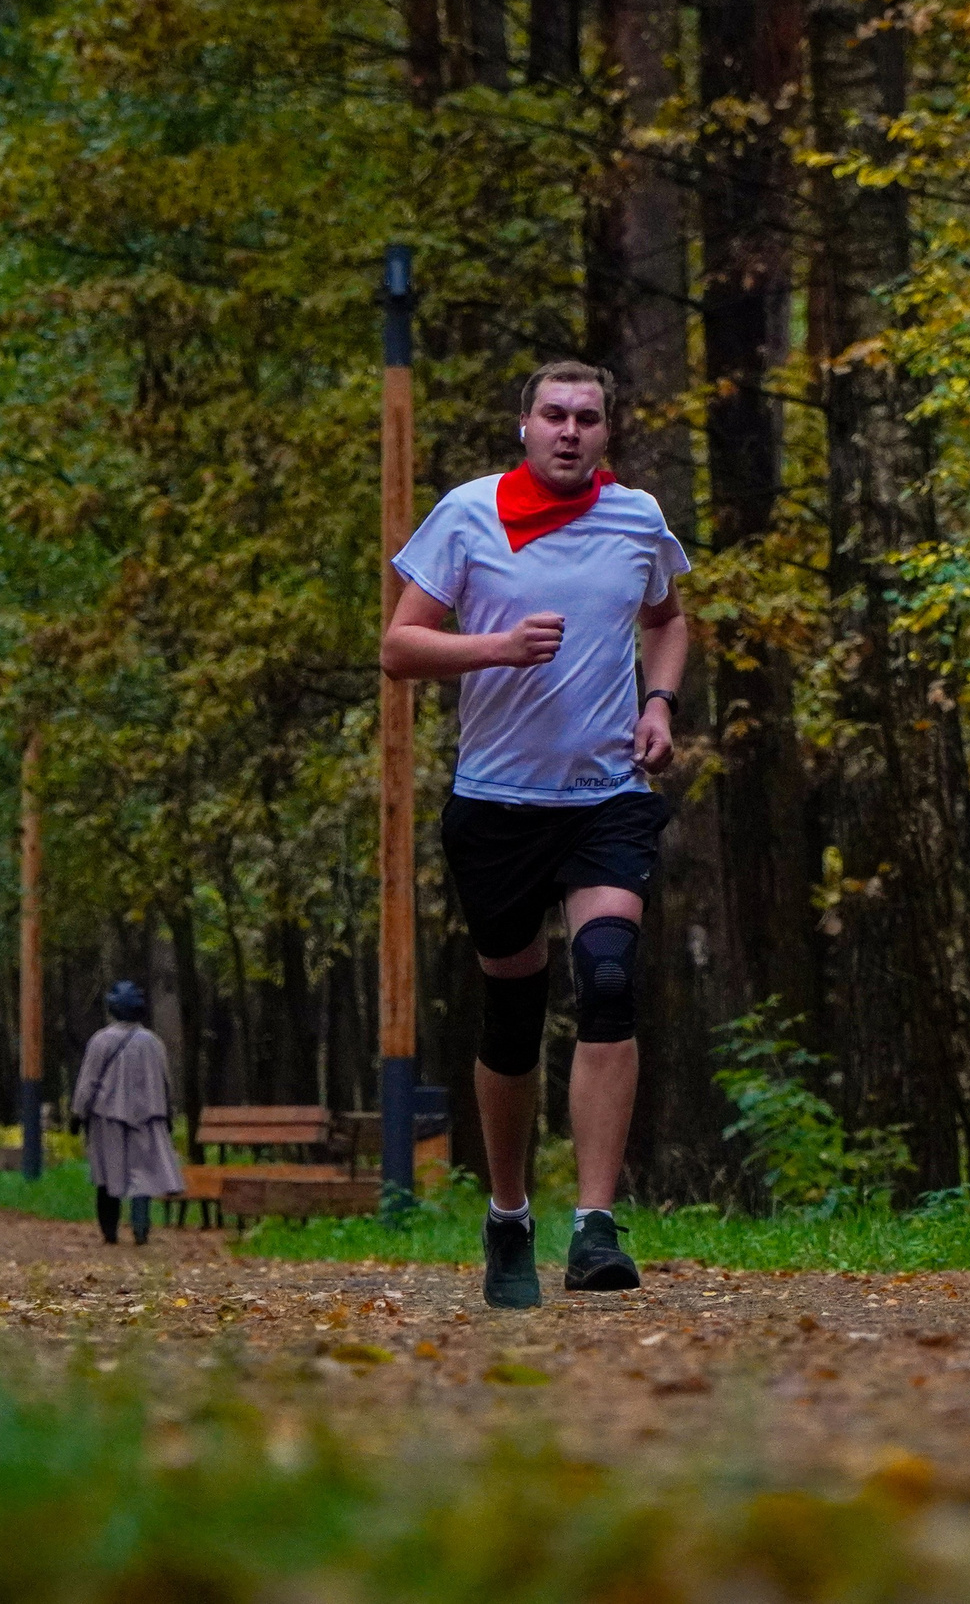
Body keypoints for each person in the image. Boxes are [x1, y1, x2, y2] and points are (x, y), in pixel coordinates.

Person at [381, 359, 689, 1308]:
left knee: (607, 976)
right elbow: (399, 646)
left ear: (606, 432)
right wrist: (496, 646)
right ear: (524, 425)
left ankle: (595, 1225)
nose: (569, 430)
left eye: (586, 417)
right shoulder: (470, 513)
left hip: (605, 795)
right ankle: (509, 1213)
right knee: (513, 1013)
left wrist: (662, 701)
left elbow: (671, 616)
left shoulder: (638, 517)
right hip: (498, 804)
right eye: (552, 414)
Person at [70, 980, 181, 1244]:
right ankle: (141, 1230)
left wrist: (78, 1113)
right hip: (147, 1118)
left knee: (107, 1174)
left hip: (106, 1118)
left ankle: (109, 1232)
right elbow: (165, 1082)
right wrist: (167, 1113)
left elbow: (88, 1082)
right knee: (141, 1175)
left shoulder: (101, 1041)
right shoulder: (153, 1042)